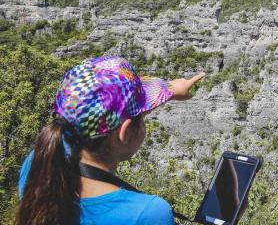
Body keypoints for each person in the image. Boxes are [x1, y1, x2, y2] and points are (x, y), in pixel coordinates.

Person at [15, 56, 205, 225]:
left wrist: (169, 91)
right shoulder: (147, 213)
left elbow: (87, 116)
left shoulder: (39, 165)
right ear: (126, 132)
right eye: (142, 118)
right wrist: (166, 90)